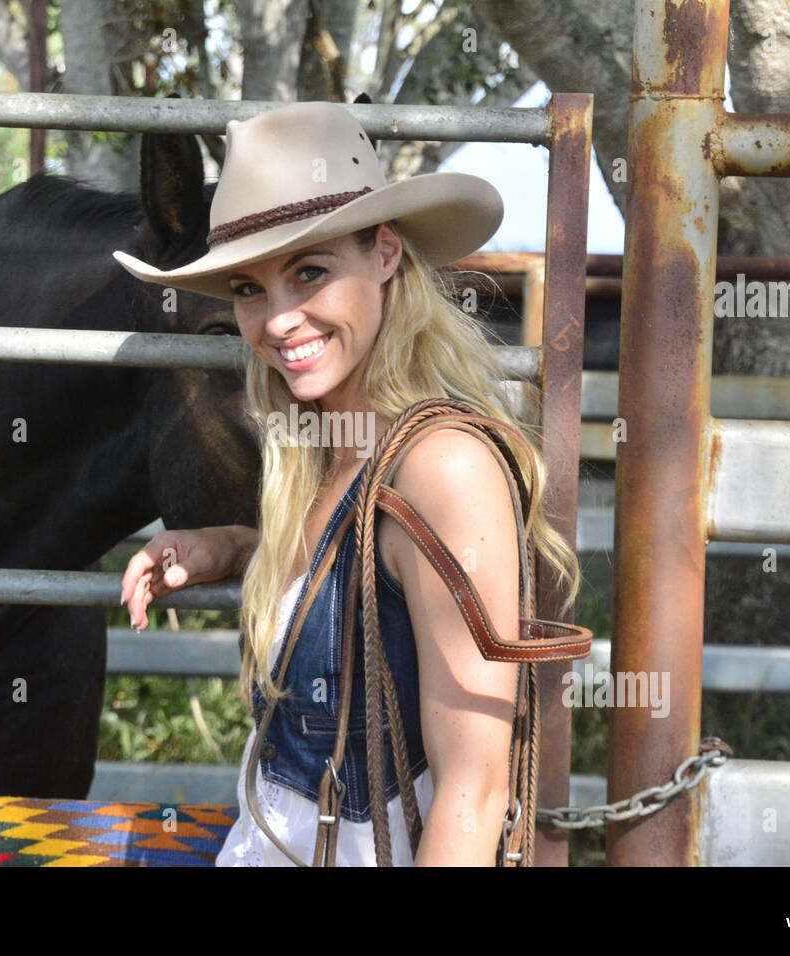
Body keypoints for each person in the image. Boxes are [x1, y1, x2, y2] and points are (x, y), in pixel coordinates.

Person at [115, 100, 580, 866]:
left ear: (387, 253)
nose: (278, 320)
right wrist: (234, 548)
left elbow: (475, 792)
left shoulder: (445, 467)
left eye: (310, 273)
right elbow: (362, 581)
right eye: (249, 288)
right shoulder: (334, 455)